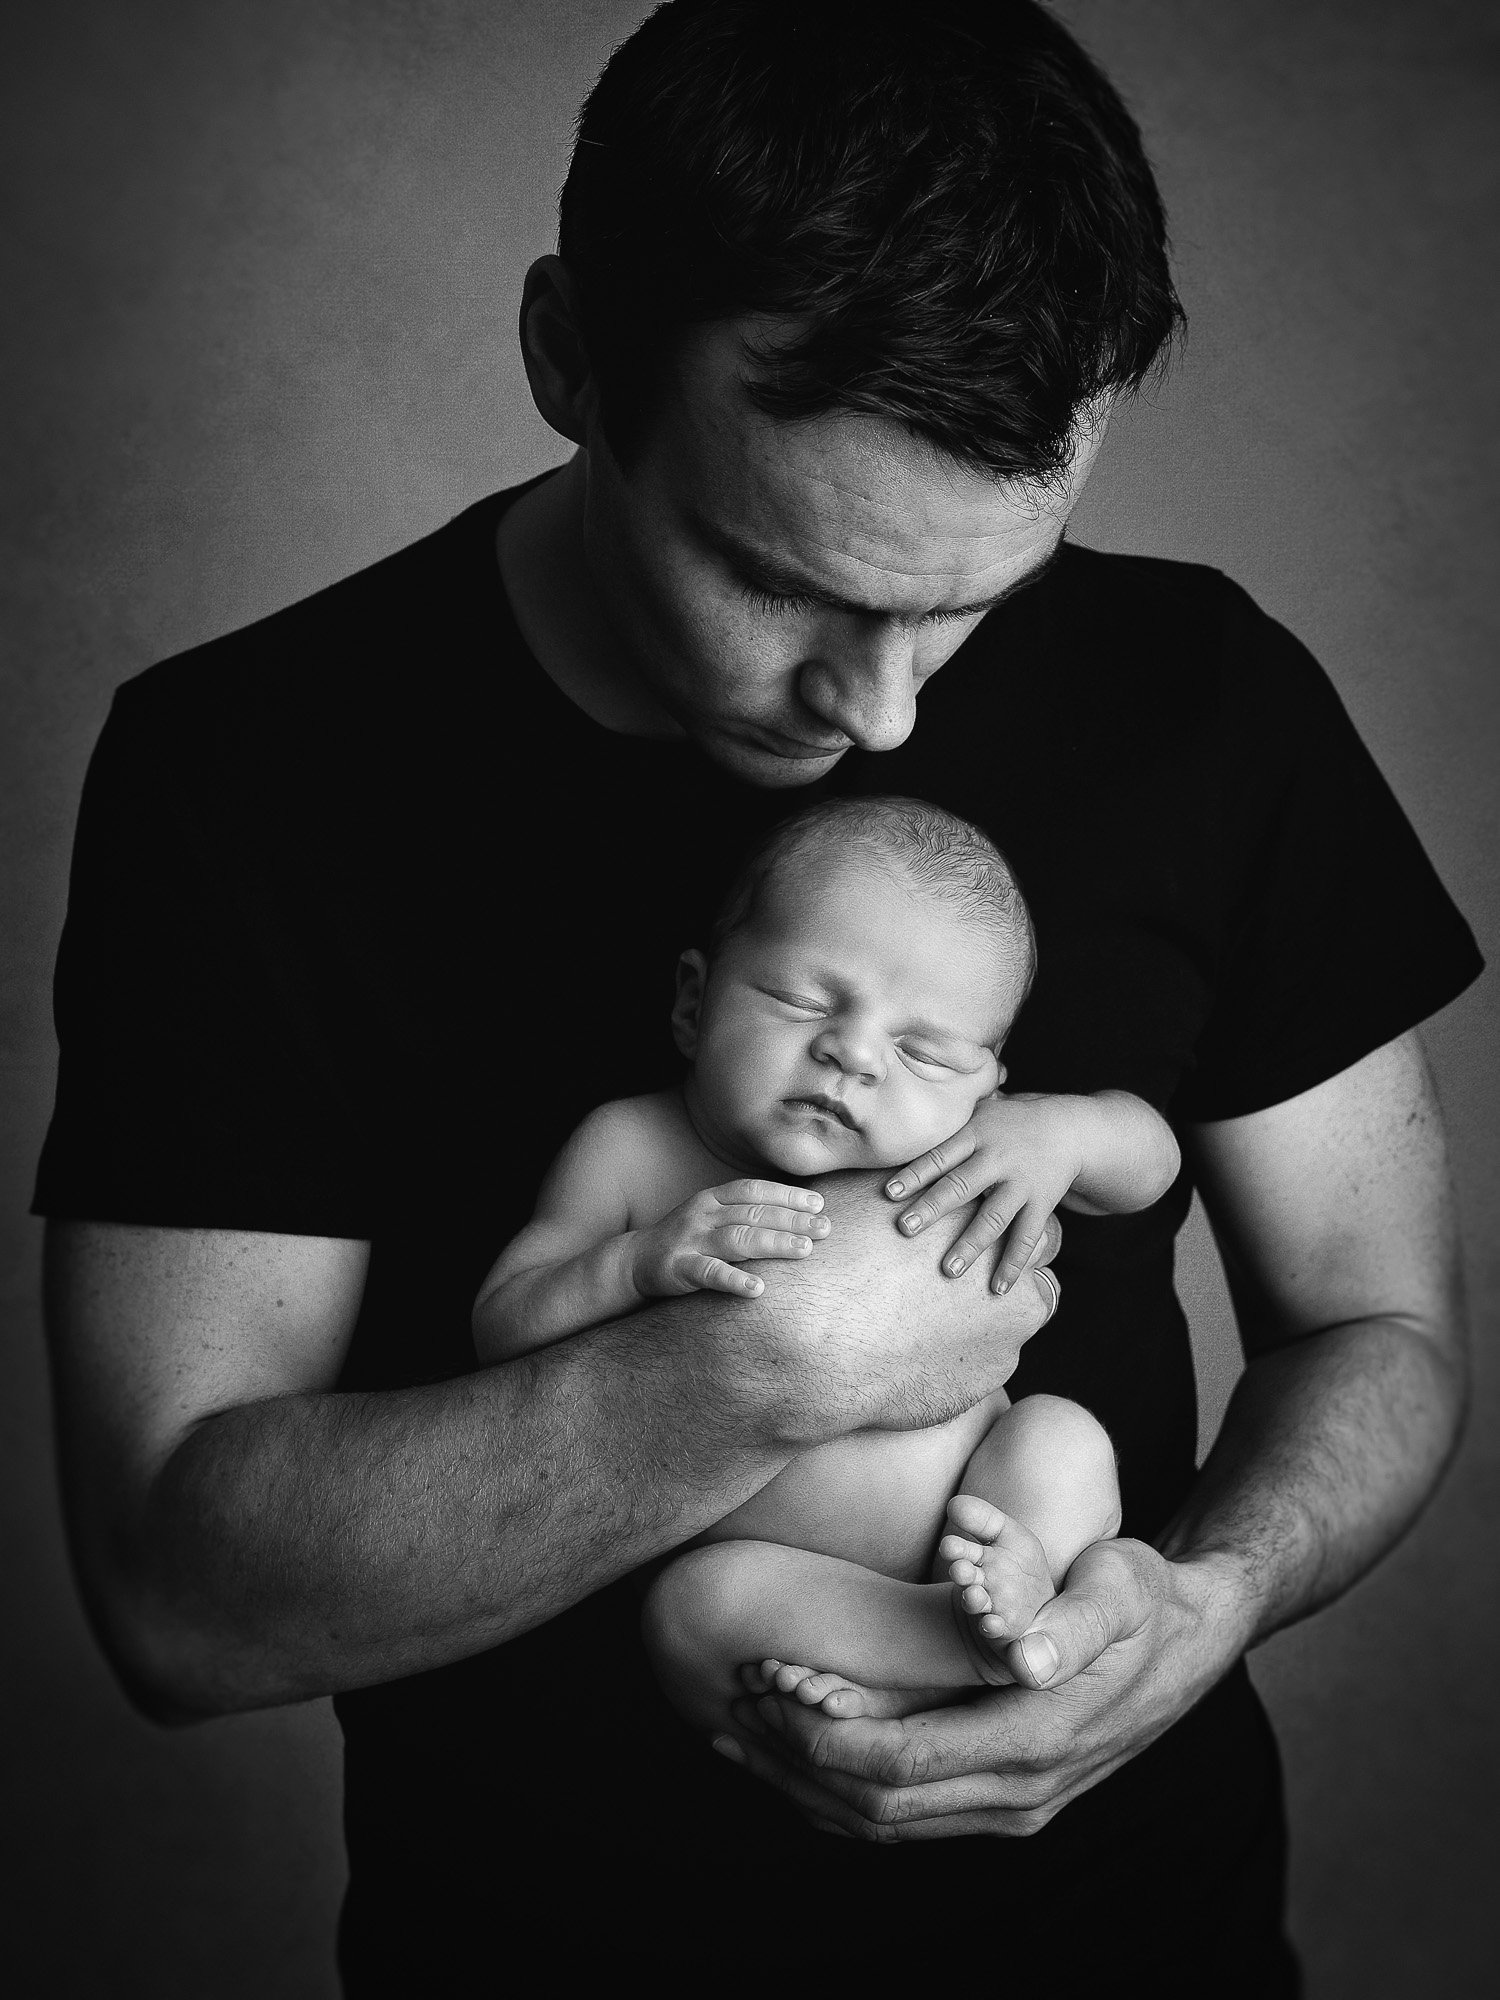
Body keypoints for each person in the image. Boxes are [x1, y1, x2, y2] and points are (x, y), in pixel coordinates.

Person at [34, 2, 1480, 1992]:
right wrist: (749, 1371)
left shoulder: (1207, 698)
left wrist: (1204, 1602)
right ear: (570, 361)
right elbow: (177, 1599)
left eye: (980, 592)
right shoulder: (248, 777)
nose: (880, 705)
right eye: (775, 573)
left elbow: (1379, 1324)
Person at [473, 795, 1179, 1724]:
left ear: (987, 1088)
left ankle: (1008, 1619)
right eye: (802, 1000)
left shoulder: (973, 1148)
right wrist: (635, 1263)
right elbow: (501, 1322)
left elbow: (1151, 1162)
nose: (851, 1054)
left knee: (1062, 1440)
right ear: (694, 1002)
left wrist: (1061, 1133)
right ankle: (933, 1652)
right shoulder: (631, 1149)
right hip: (794, 1595)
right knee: (695, 1604)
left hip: (981, 1507)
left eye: (923, 1054)